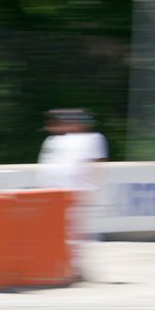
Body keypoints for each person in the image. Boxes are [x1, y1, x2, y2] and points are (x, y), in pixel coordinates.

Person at [38, 108, 108, 276]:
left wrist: (90, 187)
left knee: (75, 232)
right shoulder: (53, 140)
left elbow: (96, 165)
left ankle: (75, 267)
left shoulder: (93, 139)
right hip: (56, 193)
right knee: (61, 232)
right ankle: (64, 266)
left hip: (77, 192)